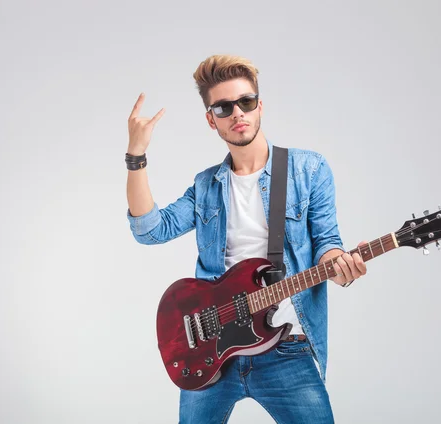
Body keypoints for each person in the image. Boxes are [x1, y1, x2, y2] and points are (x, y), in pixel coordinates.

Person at [125, 54, 367, 424]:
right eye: (223, 107)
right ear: (211, 119)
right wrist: (136, 154)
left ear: (259, 106)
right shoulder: (206, 185)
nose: (237, 113)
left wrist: (338, 266)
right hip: (209, 351)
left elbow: (327, 243)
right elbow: (150, 230)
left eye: (246, 102)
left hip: (287, 350)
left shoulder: (308, 169)